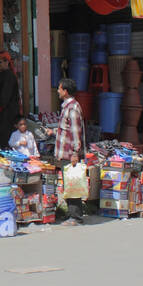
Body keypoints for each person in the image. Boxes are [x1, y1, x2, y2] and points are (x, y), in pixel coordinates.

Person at [54, 78, 86, 223]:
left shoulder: (72, 108)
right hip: (66, 151)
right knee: (69, 183)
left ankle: (76, 216)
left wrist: (75, 152)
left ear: (65, 91)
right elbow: (66, 130)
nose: (58, 91)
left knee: (73, 183)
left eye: (60, 89)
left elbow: (75, 131)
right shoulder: (66, 107)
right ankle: (72, 213)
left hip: (70, 153)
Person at [0, 51, 20, 144]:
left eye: (0, 62)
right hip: (6, 112)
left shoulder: (8, 76)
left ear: (7, 62)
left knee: (4, 137)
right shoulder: (4, 74)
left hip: (6, 113)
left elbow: (4, 97)